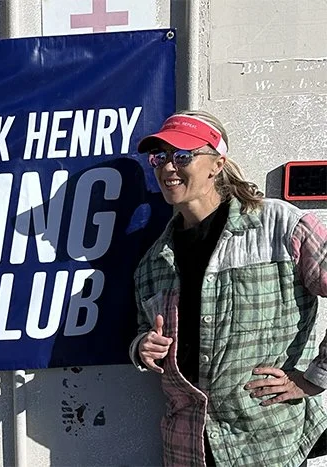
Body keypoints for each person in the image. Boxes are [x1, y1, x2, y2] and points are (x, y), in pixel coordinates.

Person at [129, 110, 327, 466]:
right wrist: (142, 346)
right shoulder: (154, 261)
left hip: (265, 443)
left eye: (183, 156)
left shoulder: (278, 226)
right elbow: (145, 330)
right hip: (188, 447)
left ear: (216, 164)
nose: (168, 167)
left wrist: (312, 379)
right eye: (160, 157)